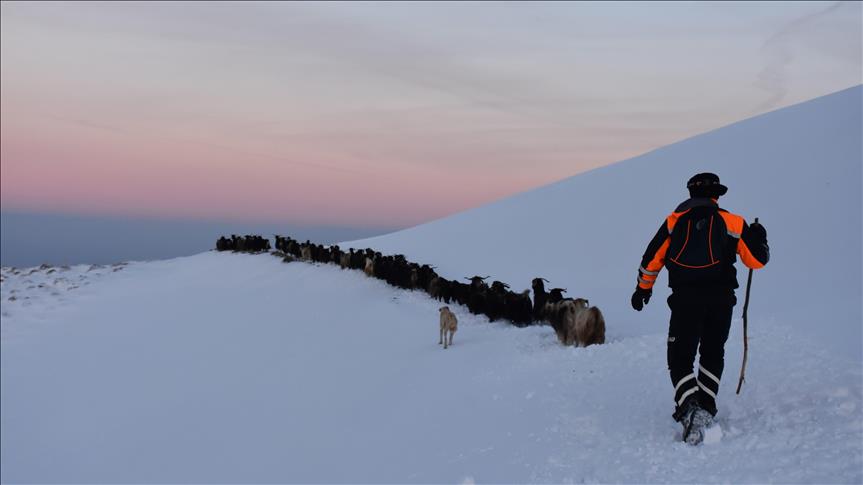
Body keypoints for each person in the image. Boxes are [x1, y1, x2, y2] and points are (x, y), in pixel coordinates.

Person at [630, 172, 769, 444]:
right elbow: (756, 261)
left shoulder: (674, 221)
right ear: (716, 194)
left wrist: (642, 289)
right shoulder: (733, 222)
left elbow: (652, 259)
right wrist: (760, 238)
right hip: (721, 299)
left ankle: (689, 406)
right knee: (712, 352)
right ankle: (704, 408)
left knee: (680, 356)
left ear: (690, 194)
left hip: (685, 300)